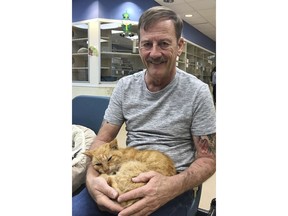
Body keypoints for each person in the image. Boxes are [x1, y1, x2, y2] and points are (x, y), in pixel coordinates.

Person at [72, 6, 216, 216]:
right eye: (147, 44)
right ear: (139, 46)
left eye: (164, 43)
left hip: (172, 181)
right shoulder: (125, 86)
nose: (154, 53)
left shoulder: (198, 92)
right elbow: (102, 140)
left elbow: (208, 160)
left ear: (180, 46)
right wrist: (93, 181)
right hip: (124, 169)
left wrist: (170, 187)